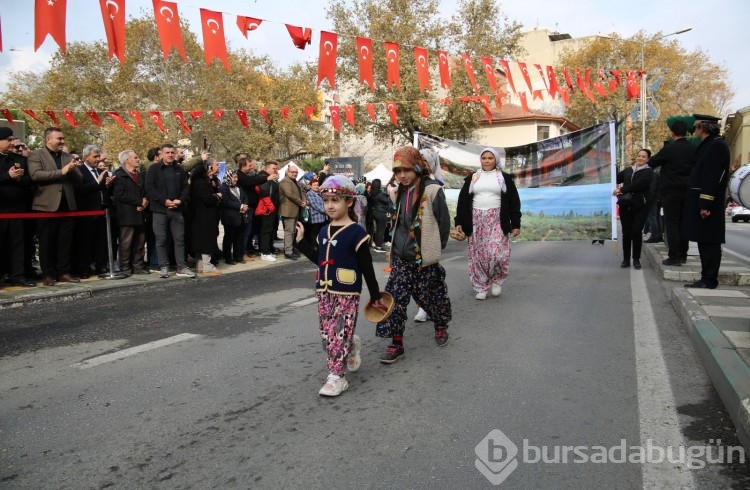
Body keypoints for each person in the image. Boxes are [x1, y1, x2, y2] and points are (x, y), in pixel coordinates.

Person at [293, 175, 387, 396]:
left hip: (347, 292)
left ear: (348, 202)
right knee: (327, 335)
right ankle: (351, 345)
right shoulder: (324, 231)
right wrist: (301, 242)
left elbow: (367, 268)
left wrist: (375, 296)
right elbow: (319, 258)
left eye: (335, 201)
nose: (330, 206)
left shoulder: (358, 233)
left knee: (338, 333)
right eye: (326, 201)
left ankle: (337, 377)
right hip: (324, 291)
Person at [376, 146, 452, 363]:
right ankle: (396, 343)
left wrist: (434, 248)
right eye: (398, 171)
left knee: (432, 296)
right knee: (395, 299)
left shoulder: (433, 191)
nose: (402, 175)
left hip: (424, 259)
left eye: (407, 170)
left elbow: (443, 223)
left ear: (418, 168)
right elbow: (399, 222)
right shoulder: (399, 191)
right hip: (401, 259)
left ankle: (440, 326)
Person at [455, 147, 522, 299]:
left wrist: (515, 224)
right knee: (478, 255)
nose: (486, 161)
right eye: (484, 158)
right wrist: (459, 221)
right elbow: (463, 201)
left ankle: (497, 279)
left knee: (498, 254)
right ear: (480, 160)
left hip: (497, 218)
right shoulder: (473, 177)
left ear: (496, 160)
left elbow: (513, 202)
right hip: (476, 219)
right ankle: (481, 287)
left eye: (490, 158)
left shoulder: (504, 178)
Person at [27, 127, 83, 286]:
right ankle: (48, 274)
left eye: (63, 138)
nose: (62, 141)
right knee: (46, 242)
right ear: (48, 139)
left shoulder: (68, 156)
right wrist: (62, 171)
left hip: (68, 206)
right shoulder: (36, 155)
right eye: (59, 138)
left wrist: (72, 169)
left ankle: (64, 272)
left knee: (64, 242)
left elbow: (79, 179)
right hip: (46, 206)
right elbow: (36, 175)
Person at [683, 114, 731, 289]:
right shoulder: (710, 145)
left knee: (709, 242)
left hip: (708, 203)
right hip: (704, 201)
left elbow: (712, 177)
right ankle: (706, 277)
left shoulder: (716, 146)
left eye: (695, 128)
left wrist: (705, 204)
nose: (694, 131)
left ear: (701, 128)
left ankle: (709, 279)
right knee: (705, 241)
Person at [144, 143, 196, 279]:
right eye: (167, 152)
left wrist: (180, 200)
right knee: (161, 239)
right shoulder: (154, 169)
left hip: (177, 209)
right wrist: (164, 201)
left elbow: (186, 187)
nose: (170, 155)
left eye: (172, 153)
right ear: (161, 154)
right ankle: (163, 267)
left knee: (179, 239)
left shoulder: (179, 169)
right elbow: (150, 188)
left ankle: (181, 267)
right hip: (160, 210)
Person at [647, 120, 695, 264]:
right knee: (684, 223)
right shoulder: (694, 148)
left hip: (672, 191)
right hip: (689, 190)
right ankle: (683, 254)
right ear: (686, 132)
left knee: (672, 224)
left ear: (672, 132)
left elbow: (651, 162)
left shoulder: (669, 149)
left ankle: (674, 256)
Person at [0, 126, 36, 287]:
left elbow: (31, 180)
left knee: (18, 244)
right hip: (1, 210)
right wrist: (8, 176)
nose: (12, 142)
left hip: (19, 210)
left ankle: (18, 276)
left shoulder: (20, 160)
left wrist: (19, 178)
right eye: (8, 140)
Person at [613, 149, 654, 270]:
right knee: (626, 233)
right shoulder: (628, 170)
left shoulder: (648, 171)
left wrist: (621, 190)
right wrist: (613, 166)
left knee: (636, 232)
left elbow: (639, 185)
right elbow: (615, 178)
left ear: (647, 159)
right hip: (626, 206)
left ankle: (636, 259)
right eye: (639, 156)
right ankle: (626, 259)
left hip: (640, 206)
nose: (640, 158)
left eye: (644, 157)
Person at [112, 150, 149, 275]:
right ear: (127, 160)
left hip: (140, 214)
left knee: (140, 241)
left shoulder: (139, 175)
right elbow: (120, 194)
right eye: (136, 157)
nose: (138, 159)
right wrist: (139, 202)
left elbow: (145, 192)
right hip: (126, 215)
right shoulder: (118, 175)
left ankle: (138, 265)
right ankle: (125, 267)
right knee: (126, 243)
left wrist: (144, 203)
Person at [190, 159, 222, 275]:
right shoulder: (202, 183)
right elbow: (207, 198)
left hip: (197, 216)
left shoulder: (194, 183)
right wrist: (217, 196)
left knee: (199, 241)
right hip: (206, 216)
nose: (210, 171)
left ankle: (200, 265)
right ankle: (207, 266)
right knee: (206, 241)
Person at [220, 169, 249, 265]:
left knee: (239, 237)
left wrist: (244, 205)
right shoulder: (224, 188)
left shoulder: (239, 187)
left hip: (240, 217)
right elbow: (226, 201)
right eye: (234, 177)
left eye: (237, 177)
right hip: (230, 217)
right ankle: (228, 257)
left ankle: (238, 256)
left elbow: (245, 197)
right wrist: (240, 206)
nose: (236, 179)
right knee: (229, 238)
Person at [278, 164, 307, 260]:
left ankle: (292, 248)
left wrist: (304, 200)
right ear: (287, 172)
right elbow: (290, 194)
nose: (295, 174)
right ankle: (288, 251)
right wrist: (300, 202)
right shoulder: (285, 181)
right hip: (288, 210)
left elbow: (300, 193)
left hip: (295, 209)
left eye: (296, 172)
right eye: (292, 172)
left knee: (293, 231)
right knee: (289, 231)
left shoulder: (295, 181)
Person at [255, 161, 281, 262]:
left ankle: (267, 251)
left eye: (276, 168)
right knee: (265, 231)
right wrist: (272, 208)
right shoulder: (264, 178)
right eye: (274, 168)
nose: (276, 170)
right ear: (267, 169)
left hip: (270, 209)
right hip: (266, 210)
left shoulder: (270, 180)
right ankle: (264, 253)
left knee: (269, 231)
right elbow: (265, 195)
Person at [303, 175, 327, 246]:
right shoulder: (309, 194)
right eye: (314, 185)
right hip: (315, 218)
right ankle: (314, 247)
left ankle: (320, 246)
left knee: (321, 233)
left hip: (322, 217)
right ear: (310, 186)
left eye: (317, 185)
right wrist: (325, 211)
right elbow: (314, 205)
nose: (316, 186)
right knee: (314, 234)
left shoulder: (319, 193)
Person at [369, 178, 391, 252]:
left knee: (378, 230)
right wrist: (388, 195)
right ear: (379, 185)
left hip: (375, 212)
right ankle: (379, 246)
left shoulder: (372, 193)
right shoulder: (380, 194)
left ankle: (377, 245)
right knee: (381, 230)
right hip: (381, 212)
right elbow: (387, 201)